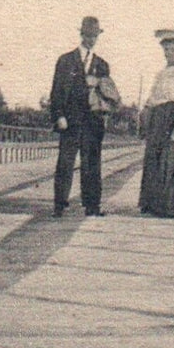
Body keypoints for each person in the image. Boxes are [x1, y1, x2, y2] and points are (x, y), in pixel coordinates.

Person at [49, 15, 113, 217]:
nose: (91, 39)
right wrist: (59, 115)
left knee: (92, 164)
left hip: (93, 123)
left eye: (94, 36)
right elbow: (56, 91)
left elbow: (108, 95)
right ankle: (59, 204)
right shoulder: (65, 60)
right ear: (81, 34)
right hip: (70, 121)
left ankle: (92, 206)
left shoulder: (102, 65)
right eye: (87, 35)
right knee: (65, 163)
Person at [139, 28, 174, 216]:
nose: (168, 53)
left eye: (172, 49)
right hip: (158, 117)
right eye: (166, 49)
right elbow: (152, 98)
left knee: (169, 159)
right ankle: (150, 204)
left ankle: (168, 206)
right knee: (153, 158)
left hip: (173, 116)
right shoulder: (160, 74)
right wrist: (145, 112)